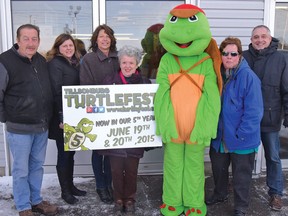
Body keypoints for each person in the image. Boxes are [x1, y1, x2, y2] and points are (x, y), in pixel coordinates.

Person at [0, 24, 57, 216]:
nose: (30, 43)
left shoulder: (40, 60)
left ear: (39, 41)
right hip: (19, 129)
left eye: (34, 39)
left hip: (41, 127)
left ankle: (36, 201)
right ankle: (23, 206)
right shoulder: (5, 61)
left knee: (36, 168)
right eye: (26, 38)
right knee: (21, 170)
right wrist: (8, 118)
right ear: (17, 40)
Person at [206, 37, 263, 216]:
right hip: (220, 136)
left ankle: (241, 206)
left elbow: (254, 112)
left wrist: (242, 135)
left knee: (241, 176)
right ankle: (220, 193)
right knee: (219, 170)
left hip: (241, 138)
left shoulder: (249, 78)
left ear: (239, 55)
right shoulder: (216, 75)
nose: (229, 57)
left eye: (233, 53)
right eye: (225, 53)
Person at [99, 45, 151, 216]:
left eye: (131, 62)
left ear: (137, 64)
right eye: (124, 62)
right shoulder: (109, 80)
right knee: (115, 170)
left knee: (131, 170)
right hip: (115, 136)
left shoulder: (144, 83)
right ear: (119, 63)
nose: (127, 65)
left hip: (135, 136)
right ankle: (118, 199)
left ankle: (130, 199)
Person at [243, 25, 288, 211]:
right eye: (255, 37)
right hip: (247, 120)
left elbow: (286, 88)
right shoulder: (243, 57)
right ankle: (242, 191)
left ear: (270, 39)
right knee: (244, 158)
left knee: (273, 157)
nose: (259, 40)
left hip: (270, 118)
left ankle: (276, 193)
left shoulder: (281, 59)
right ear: (251, 40)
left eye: (263, 36)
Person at [79, 24, 120, 204]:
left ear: (112, 39)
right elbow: (85, 85)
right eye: (101, 36)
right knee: (98, 151)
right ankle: (101, 186)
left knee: (112, 152)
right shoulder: (89, 59)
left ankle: (109, 184)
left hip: (115, 111)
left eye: (108, 36)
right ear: (96, 40)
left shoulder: (118, 58)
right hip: (97, 110)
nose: (105, 39)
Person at [46, 33, 87, 205]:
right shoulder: (56, 63)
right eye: (65, 46)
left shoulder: (74, 62)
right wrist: (62, 117)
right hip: (62, 118)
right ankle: (65, 191)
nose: (69, 48)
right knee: (64, 155)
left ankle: (71, 186)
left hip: (74, 115)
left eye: (71, 45)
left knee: (71, 153)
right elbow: (56, 91)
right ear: (58, 48)